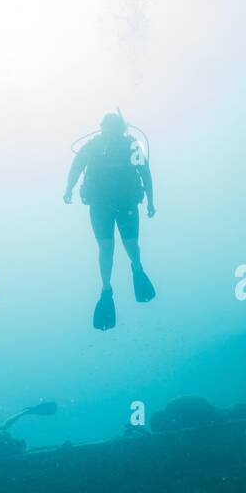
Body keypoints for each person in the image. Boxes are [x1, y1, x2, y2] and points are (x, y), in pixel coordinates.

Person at [63, 111, 156, 330]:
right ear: (102, 128)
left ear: (122, 129)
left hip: (124, 205)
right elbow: (76, 167)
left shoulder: (130, 146)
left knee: (130, 245)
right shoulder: (94, 147)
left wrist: (151, 202)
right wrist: (68, 188)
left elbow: (145, 173)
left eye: (114, 128)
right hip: (102, 205)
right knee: (106, 248)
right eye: (108, 128)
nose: (111, 132)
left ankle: (136, 267)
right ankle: (106, 288)